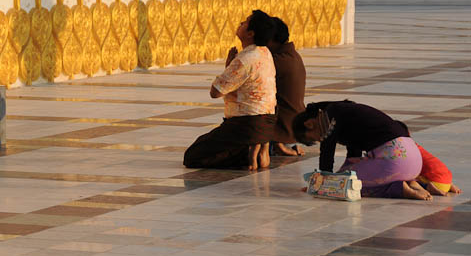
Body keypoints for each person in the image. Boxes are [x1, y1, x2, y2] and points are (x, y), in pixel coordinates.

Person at [184, 10, 277, 171]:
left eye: (246, 22)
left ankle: (246, 153)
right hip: (267, 123)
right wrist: (230, 67)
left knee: (193, 155)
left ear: (250, 33)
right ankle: (259, 147)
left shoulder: (244, 59)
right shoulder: (264, 52)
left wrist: (229, 68)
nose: (241, 23)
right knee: (208, 143)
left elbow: (216, 92)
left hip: (246, 124)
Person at [293, 100, 430, 200]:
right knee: (347, 178)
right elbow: (354, 156)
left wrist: (323, 183)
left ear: (309, 124)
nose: (320, 140)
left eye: (315, 139)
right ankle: (416, 184)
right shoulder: (344, 112)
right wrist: (335, 176)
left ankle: (399, 189)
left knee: (348, 187)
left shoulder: (329, 117)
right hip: (413, 160)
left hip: (394, 159)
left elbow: (327, 152)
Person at [268, 17, 306, 156]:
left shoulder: (277, 61)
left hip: (282, 131)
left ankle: (278, 144)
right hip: (292, 129)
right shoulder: (291, 56)